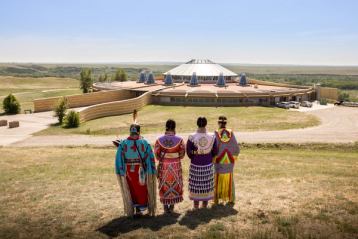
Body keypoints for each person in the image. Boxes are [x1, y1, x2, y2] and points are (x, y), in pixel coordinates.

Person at [115, 123, 157, 217]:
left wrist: (121, 171)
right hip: (141, 170)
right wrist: (151, 169)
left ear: (130, 131)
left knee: (131, 189)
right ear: (139, 131)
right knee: (142, 189)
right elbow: (150, 157)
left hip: (129, 171)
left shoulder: (123, 143)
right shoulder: (144, 142)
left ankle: (135, 209)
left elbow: (119, 158)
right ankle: (140, 209)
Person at [154, 119, 185, 213]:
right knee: (175, 183)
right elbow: (182, 154)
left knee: (164, 184)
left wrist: (164, 158)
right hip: (176, 166)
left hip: (164, 166)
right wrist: (175, 156)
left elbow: (157, 155)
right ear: (174, 127)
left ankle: (165, 206)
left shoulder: (159, 140)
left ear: (166, 127)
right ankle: (172, 206)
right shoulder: (180, 140)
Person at [187, 117, 218, 209]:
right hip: (207, 162)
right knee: (206, 182)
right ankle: (205, 204)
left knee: (196, 183)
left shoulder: (191, 136)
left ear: (197, 124)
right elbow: (215, 150)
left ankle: (196, 205)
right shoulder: (212, 136)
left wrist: (194, 155)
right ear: (206, 124)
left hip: (195, 163)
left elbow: (189, 151)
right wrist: (209, 155)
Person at [213, 116, 240, 205]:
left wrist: (213, 157)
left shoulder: (216, 133)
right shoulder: (231, 133)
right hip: (229, 161)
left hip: (219, 161)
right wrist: (233, 156)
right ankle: (230, 198)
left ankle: (217, 198)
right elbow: (236, 148)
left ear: (219, 123)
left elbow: (213, 148)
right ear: (226, 123)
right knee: (229, 178)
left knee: (217, 178)